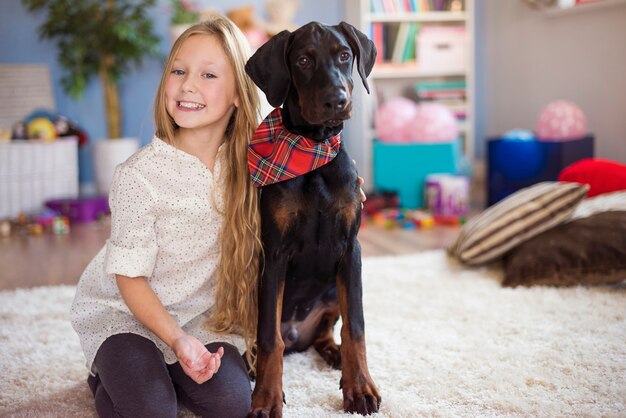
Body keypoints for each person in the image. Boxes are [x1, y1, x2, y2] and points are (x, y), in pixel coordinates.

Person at [70, 15, 262, 418]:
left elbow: (308, 175)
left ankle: (156, 375)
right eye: (179, 70)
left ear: (239, 96)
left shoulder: (249, 167)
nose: (188, 84)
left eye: (208, 74)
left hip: (202, 320)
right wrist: (175, 341)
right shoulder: (137, 176)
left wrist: (346, 184)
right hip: (125, 316)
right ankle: (108, 376)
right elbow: (129, 278)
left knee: (232, 403)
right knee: (153, 410)